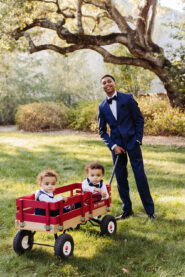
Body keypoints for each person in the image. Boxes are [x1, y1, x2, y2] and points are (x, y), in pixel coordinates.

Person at [98, 74, 155, 220]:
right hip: (117, 147)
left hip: (132, 143)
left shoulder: (127, 98)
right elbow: (102, 132)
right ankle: (127, 210)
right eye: (104, 83)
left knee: (140, 176)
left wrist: (137, 140)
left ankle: (150, 211)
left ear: (114, 83)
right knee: (121, 178)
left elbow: (139, 120)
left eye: (109, 81)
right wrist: (113, 146)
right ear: (102, 87)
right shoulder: (102, 106)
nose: (107, 84)